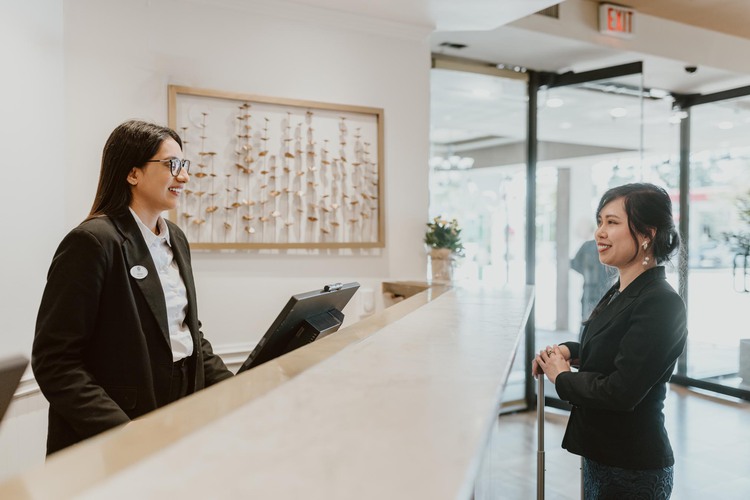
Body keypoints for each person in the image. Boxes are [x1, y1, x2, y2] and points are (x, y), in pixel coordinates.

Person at [33, 120, 233, 455]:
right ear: (133, 174)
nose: (183, 176)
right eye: (172, 165)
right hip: (115, 429)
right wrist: (124, 432)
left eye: (184, 165)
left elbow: (187, 335)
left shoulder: (176, 239)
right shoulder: (93, 242)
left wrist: (237, 389)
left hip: (179, 408)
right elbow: (56, 362)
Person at [533, 183, 687, 499]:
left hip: (633, 468)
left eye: (612, 222)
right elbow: (613, 347)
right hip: (603, 457)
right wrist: (567, 352)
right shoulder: (622, 290)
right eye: (600, 221)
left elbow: (621, 391)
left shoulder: (661, 302)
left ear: (647, 234)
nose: (599, 232)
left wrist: (561, 378)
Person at [570, 239, 611, 321]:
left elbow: (574, 263)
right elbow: (574, 263)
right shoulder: (587, 246)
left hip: (605, 292)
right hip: (591, 292)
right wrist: (587, 272)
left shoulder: (609, 246)